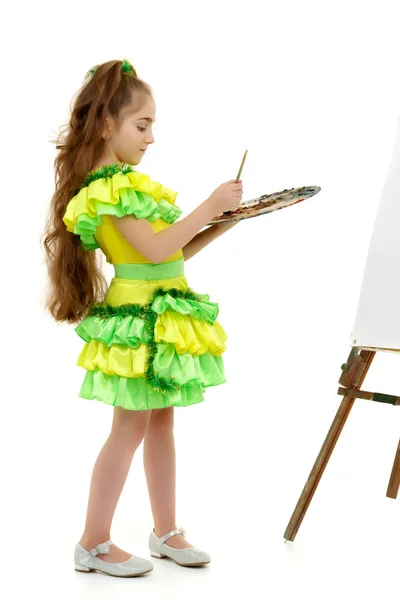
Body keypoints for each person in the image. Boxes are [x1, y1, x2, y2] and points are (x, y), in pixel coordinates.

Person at [42, 59, 243, 578]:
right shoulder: (106, 190)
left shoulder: (132, 185)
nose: (152, 136)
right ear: (107, 125)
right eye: (143, 124)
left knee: (161, 421)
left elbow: (173, 254)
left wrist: (222, 223)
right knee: (129, 427)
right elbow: (153, 249)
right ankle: (91, 542)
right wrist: (208, 204)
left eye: (153, 125)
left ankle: (166, 531)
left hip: (162, 309)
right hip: (138, 317)